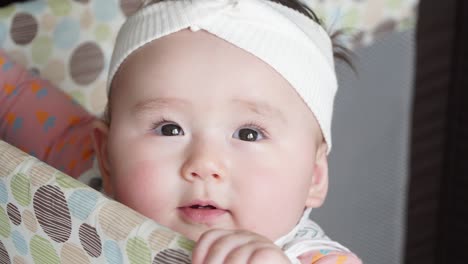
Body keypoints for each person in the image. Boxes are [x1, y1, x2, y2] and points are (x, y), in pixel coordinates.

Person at [1, 0, 361, 263]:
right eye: (169, 128)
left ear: (313, 176)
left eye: (249, 134)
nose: (204, 164)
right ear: (107, 156)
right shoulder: (88, 176)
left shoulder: (313, 259)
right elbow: (15, 96)